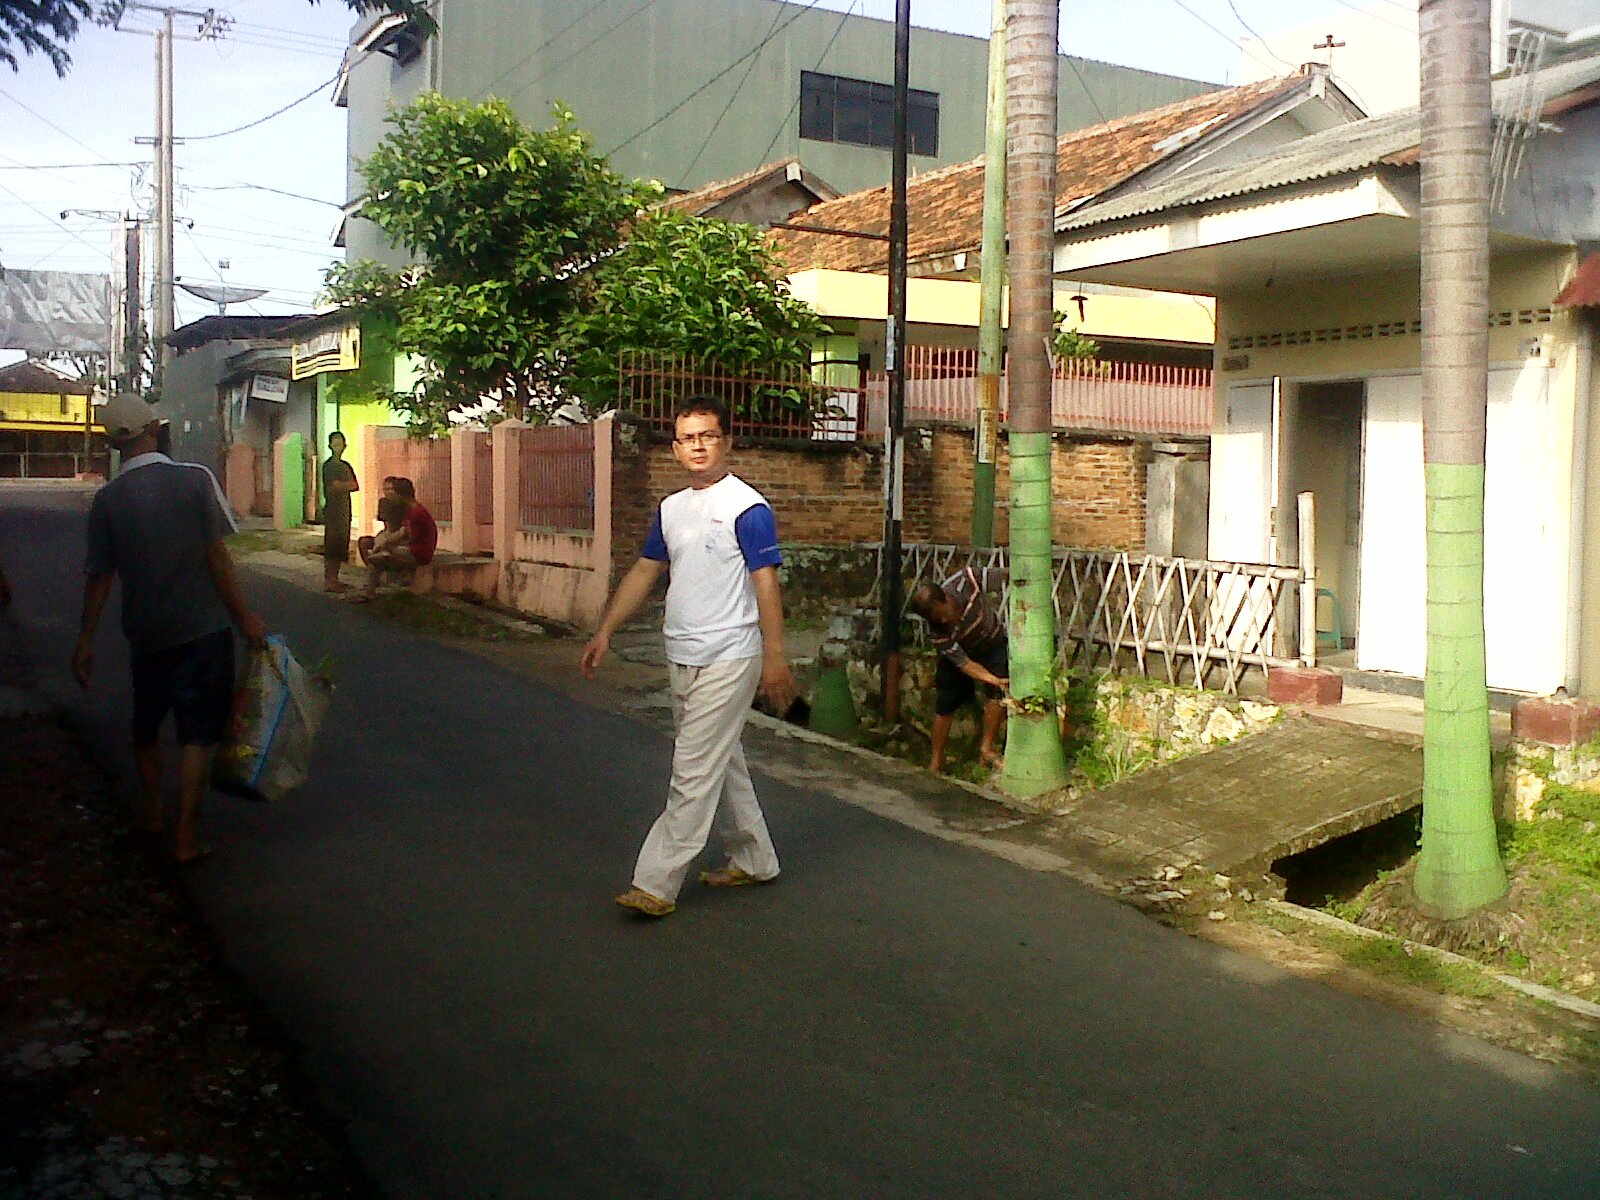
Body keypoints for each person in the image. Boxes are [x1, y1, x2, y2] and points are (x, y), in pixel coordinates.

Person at [580, 395, 797, 919]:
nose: (698, 446)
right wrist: (605, 629)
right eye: (688, 438)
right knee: (721, 762)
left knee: (692, 770)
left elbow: (766, 584)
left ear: (727, 442)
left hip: (731, 654)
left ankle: (656, 883)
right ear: (675, 449)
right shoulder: (672, 509)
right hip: (682, 650)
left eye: (708, 436)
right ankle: (755, 858)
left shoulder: (748, 508)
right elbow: (644, 571)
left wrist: (775, 657)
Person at [73, 392, 267, 865]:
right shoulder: (195, 480)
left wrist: (85, 641)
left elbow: (100, 577)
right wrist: (246, 621)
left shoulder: (108, 500)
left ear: (115, 445)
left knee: (146, 727)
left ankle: (154, 813)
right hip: (204, 630)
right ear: (154, 431)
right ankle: (185, 836)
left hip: (146, 633)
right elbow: (217, 557)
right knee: (198, 734)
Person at [909, 566, 1010, 773]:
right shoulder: (936, 631)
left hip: (992, 641)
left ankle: (986, 748)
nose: (943, 621)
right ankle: (936, 759)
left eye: (942, 614)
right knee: (946, 703)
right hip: (962, 653)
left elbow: (1006, 576)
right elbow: (964, 663)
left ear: (945, 597)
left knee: (998, 695)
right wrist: (991, 678)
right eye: (937, 620)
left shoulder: (967, 580)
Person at [352, 476, 436, 601]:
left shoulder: (416, 513)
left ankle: (371, 591)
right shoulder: (412, 510)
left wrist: (388, 545)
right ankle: (370, 590)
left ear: (401, 495)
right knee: (379, 555)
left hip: (419, 552)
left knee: (379, 557)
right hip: (412, 548)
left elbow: (410, 537)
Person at [321, 431, 360, 593]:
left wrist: (342, 485)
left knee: (341, 544)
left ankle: (335, 579)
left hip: (345, 510)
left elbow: (355, 485)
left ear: (345, 445)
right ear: (330, 445)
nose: (338, 447)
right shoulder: (329, 465)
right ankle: (330, 580)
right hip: (332, 510)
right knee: (332, 544)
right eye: (335, 444)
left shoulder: (345, 466)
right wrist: (345, 485)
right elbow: (334, 486)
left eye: (340, 443)